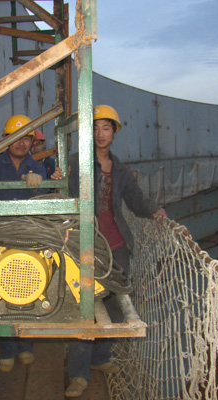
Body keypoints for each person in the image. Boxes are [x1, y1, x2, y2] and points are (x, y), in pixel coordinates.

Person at [63, 105, 167, 397]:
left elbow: (135, 199)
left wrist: (154, 210)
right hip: (85, 245)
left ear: (114, 132)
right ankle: (78, 374)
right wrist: (57, 174)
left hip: (117, 245)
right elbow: (64, 194)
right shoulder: (76, 163)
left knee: (113, 306)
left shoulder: (120, 169)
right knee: (85, 308)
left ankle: (101, 357)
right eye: (95, 128)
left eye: (106, 128)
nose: (100, 134)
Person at [0, 114, 47, 372]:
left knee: (29, 288)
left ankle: (26, 345)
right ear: (6, 140)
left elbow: (45, 196)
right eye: (16, 138)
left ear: (32, 141)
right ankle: (7, 349)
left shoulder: (37, 167)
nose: (21, 143)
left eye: (27, 138)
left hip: (28, 237)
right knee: (0, 291)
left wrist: (39, 185)